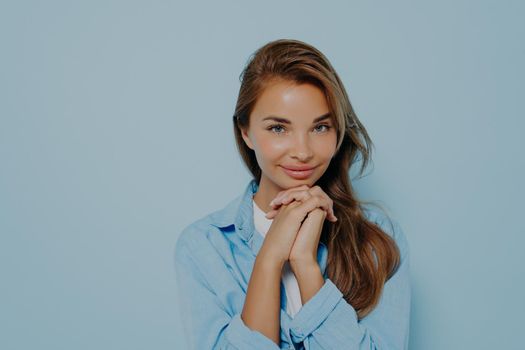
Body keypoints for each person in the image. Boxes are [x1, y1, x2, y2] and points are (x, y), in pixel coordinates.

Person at [174, 38, 411, 350]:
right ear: (246, 131)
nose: (302, 152)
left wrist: (306, 265)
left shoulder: (379, 238)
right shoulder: (204, 247)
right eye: (278, 128)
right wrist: (269, 258)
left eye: (320, 128)